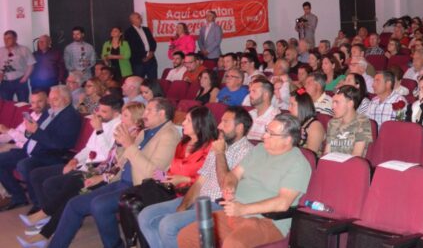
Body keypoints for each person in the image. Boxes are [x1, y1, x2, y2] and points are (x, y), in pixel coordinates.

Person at [46, 97, 182, 248]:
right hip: (121, 181)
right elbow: (123, 160)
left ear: (161, 113)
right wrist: (106, 171)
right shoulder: (146, 132)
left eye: (149, 110)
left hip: (141, 187)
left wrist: (129, 144)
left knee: (99, 205)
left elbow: (154, 172)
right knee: (74, 204)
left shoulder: (169, 135)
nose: (145, 114)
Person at [176, 114, 312, 248]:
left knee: (233, 244)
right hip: (234, 213)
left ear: (287, 140)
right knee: (187, 236)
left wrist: (243, 209)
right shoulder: (258, 150)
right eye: (266, 131)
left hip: (266, 221)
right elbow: (234, 175)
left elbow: (283, 203)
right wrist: (229, 186)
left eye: (271, 134)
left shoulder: (298, 163)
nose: (264, 136)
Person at [18, 101, 141, 246]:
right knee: (69, 187)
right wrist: (89, 168)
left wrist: (100, 174)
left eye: (125, 116)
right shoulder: (123, 130)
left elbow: (119, 164)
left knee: (75, 187)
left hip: (115, 179)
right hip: (101, 170)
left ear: (136, 120)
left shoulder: (135, 136)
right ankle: (46, 226)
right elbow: (110, 159)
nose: (121, 118)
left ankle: (45, 223)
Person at [137, 107, 254, 248]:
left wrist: (219, 154)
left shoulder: (247, 152)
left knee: (168, 225)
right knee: (145, 216)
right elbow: (199, 182)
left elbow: (226, 186)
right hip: (196, 199)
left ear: (239, 128)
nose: (219, 126)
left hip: (219, 205)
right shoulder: (217, 145)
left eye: (225, 122)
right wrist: (183, 206)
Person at [0, 85, 82, 212]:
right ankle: (18, 197)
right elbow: (33, 132)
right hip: (30, 150)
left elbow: (60, 144)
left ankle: (39, 204)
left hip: (51, 155)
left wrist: (36, 131)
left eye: (55, 99)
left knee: (25, 165)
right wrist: (29, 130)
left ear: (66, 100)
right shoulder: (50, 112)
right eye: (50, 99)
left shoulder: (70, 116)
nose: (51, 102)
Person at [325, 85, 373, 157]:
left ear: (350, 104)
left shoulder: (362, 123)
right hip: (332, 164)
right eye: (333, 102)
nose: (332, 107)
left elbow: (356, 156)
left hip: (350, 166)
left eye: (337, 102)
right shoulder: (332, 123)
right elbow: (327, 153)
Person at [0, 30, 36, 102]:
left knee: (23, 103)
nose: (6, 41)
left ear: (15, 38)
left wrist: (25, 77)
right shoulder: (1, 51)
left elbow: (31, 64)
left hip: (19, 81)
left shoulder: (24, 49)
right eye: (4, 39)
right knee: (5, 104)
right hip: (5, 82)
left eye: (8, 38)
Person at [124, 13, 158, 80]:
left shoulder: (146, 29)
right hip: (138, 61)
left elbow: (153, 42)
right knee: (138, 82)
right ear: (132, 20)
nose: (141, 18)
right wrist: (144, 56)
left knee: (153, 81)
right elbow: (132, 47)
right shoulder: (128, 32)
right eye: (138, 17)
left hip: (151, 59)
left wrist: (151, 52)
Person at [246, 77, 281, 141]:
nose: (250, 95)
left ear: (265, 95)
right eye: (250, 91)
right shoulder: (250, 114)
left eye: (254, 91)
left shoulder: (275, 118)